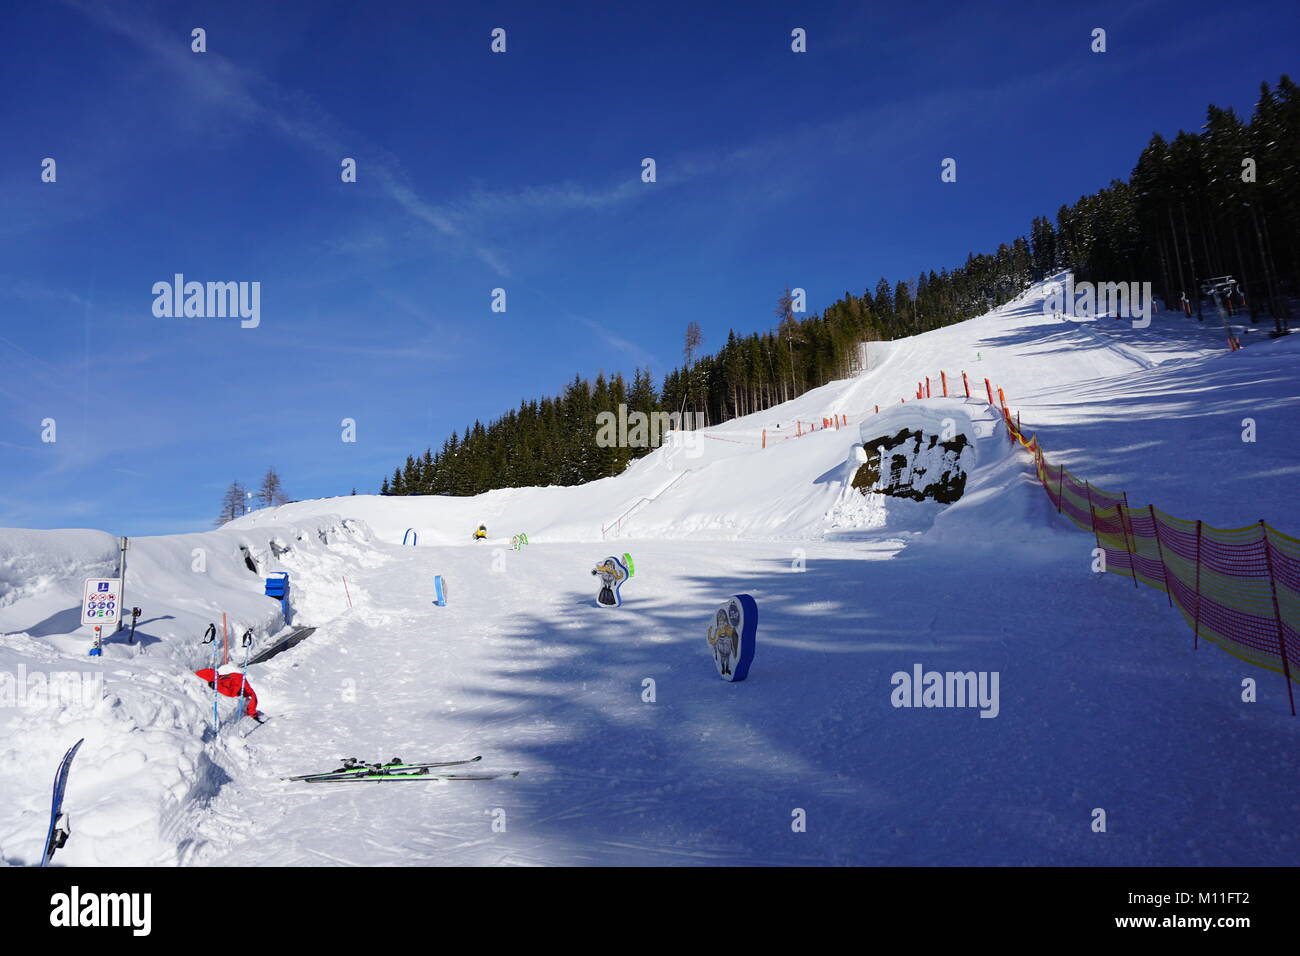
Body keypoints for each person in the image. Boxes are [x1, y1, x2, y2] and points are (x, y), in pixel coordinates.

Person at [194, 664, 265, 721]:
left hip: (231, 682)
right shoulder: (214, 675)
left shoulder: (240, 683)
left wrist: (252, 712)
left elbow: (231, 693)